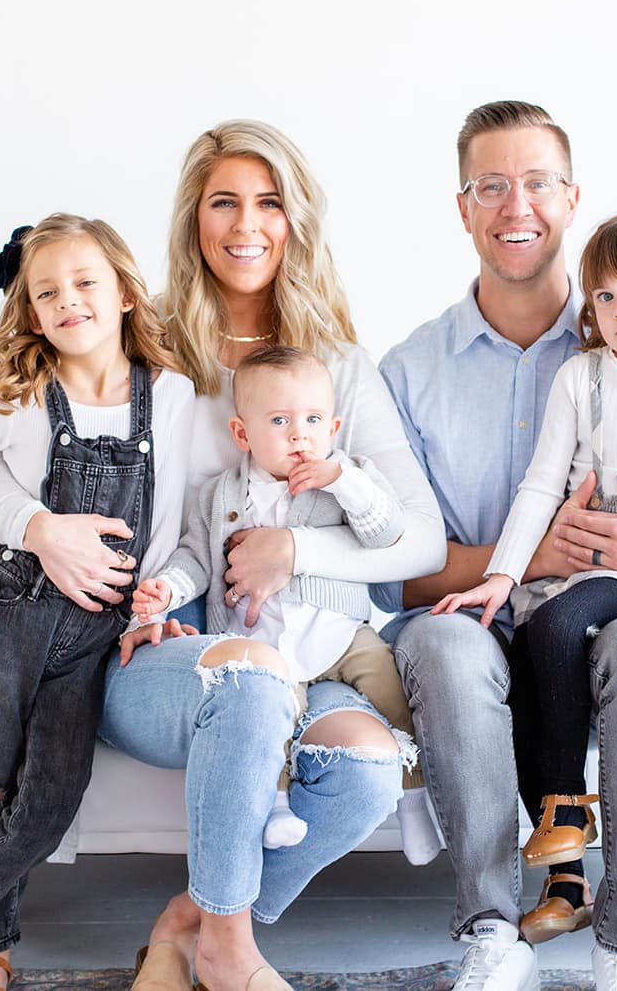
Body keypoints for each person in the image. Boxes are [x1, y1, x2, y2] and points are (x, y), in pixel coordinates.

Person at [0, 119, 446, 991]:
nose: (246, 224)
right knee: (248, 680)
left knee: (369, 772)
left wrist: (290, 548)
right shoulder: (147, 350)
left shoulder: (336, 369)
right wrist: (39, 532)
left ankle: (189, 925)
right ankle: (234, 954)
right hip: (160, 651)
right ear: (193, 221)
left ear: (296, 221)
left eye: (269, 203)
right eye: (224, 202)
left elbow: (420, 536)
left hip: (309, 647)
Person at [376, 103, 617, 991]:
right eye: (492, 185)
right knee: (438, 635)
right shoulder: (409, 370)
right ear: (464, 207)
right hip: (488, 612)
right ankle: (489, 930)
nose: (519, 205)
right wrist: (526, 562)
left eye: (540, 182)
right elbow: (400, 573)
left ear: (572, 196)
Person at [0, 214, 194, 991]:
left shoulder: (173, 394)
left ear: (122, 292)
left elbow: (172, 522)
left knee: (48, 800)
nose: (68, 300)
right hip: (8, 613)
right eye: (47, 291)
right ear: (30, 309)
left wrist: (154, 601)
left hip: (95, 631)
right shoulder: (20, 392)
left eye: (85, 283)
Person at [130, 343, 435, 860]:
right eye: (280, 420)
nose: (300, 435)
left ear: (333, 428)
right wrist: (168, 590)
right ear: (243, 434)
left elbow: (387, 533)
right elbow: (195, 560)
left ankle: (415, 799)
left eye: (314, 419)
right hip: (263, 641)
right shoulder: (220, 497)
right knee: (271, 715)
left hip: (341, 634)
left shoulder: (346, 477)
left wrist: (346, 483)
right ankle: (276, 804)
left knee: (394, 696)